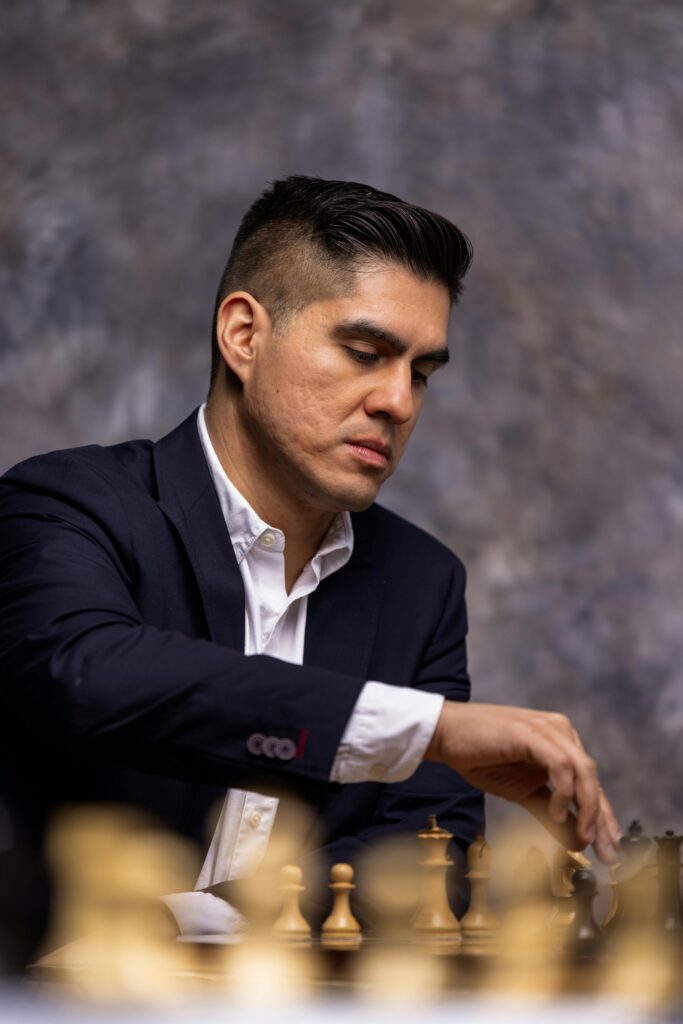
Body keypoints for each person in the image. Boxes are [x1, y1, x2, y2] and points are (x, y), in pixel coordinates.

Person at [0, 176, 619, 952]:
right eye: (364, 352)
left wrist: (183, 925)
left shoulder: (422, 584)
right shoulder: (65, 502)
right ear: (243, 336)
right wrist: (427, 730)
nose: (398, 401)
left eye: (421, 373)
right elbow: (89, 675)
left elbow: (428, 852)